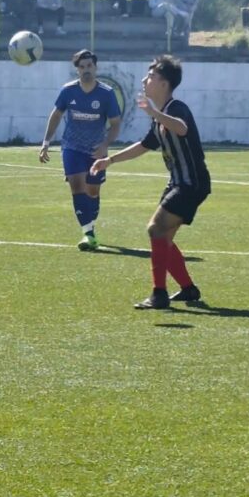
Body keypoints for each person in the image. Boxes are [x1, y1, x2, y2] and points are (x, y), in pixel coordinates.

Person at [91, 54, 209, 310]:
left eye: (151, 76)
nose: (145, 80)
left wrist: (155, 112)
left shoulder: (176, 109)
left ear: (164, 84)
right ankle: (188, 289)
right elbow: (144, 145)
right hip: (179, 183)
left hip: (191, 183)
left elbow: (182, 128)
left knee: (156, 229)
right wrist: (109, 160)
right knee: (163, 239)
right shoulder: (160, 117)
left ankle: (159, 294)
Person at [40, 49, 122, 250]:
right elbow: (56, 115)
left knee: (93, 192)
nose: (86, 70)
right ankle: (88, 234)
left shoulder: (106, 93)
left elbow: (115, 124)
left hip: (96, 150)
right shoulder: (68, 91)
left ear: (95, 67)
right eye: (82, 66)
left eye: (89, 66)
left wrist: (104, 146)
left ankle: (90, 225)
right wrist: (46, 142)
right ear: (77, 70)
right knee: (77, 187)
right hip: (72, 147)